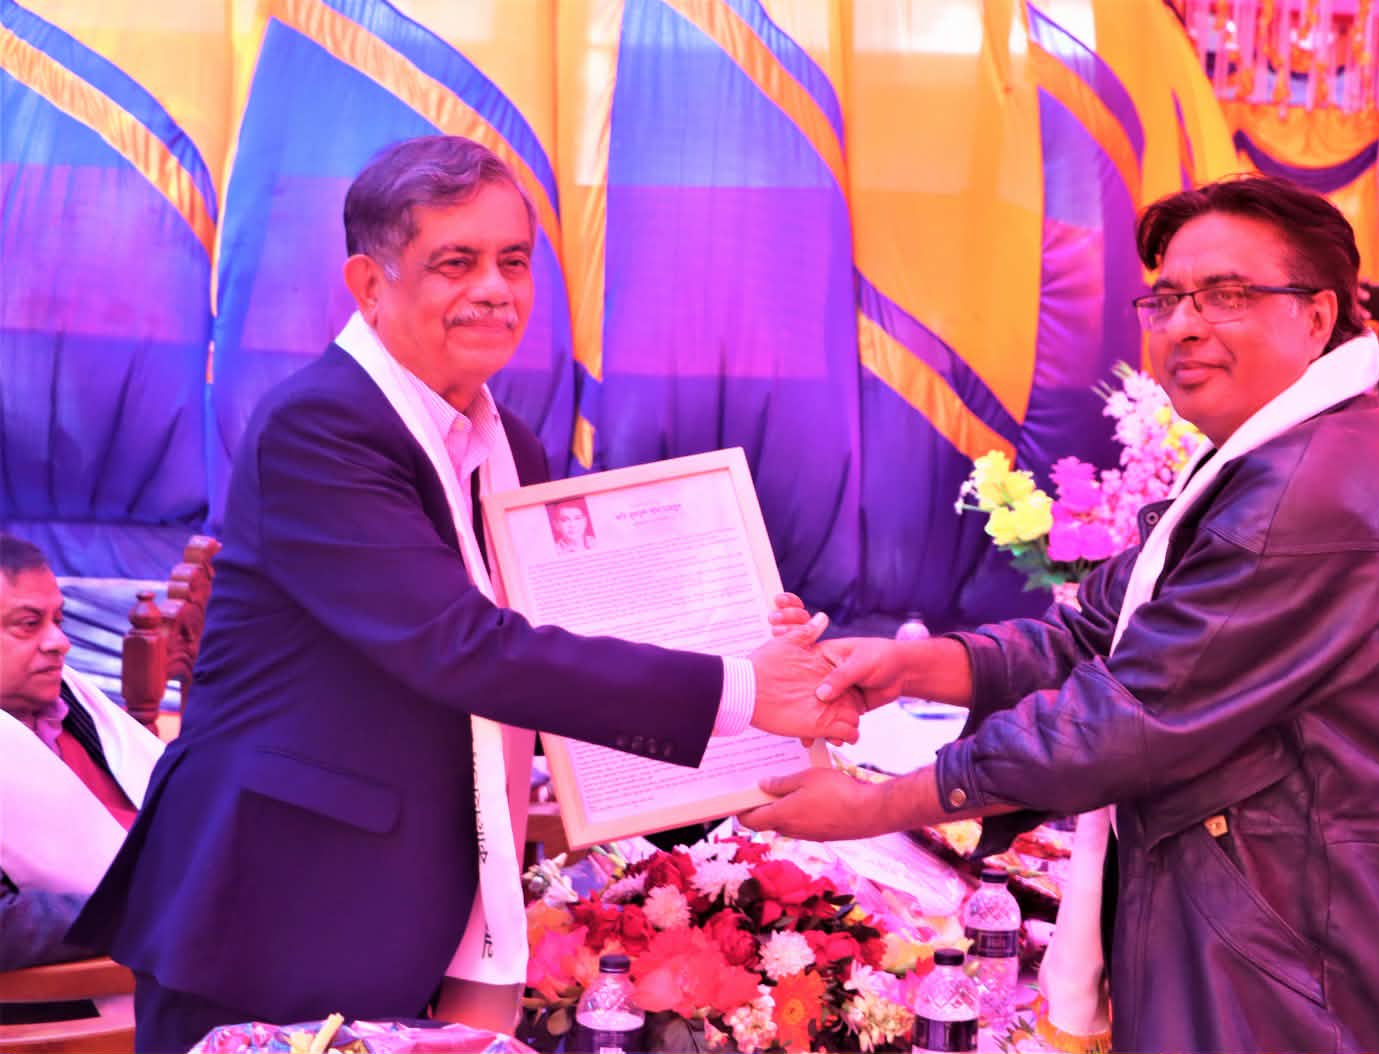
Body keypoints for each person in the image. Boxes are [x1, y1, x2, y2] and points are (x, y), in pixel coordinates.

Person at [67, 135, 857, 1052]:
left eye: (513, 261)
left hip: (435, 894)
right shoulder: (319, 428)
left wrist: (746, 660)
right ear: (368, 283)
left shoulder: (508, 444)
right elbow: (464, 648)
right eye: (457, 262)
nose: (495, 289)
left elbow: (558, 647)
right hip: (278, 900)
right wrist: (744, 688)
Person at [745, 176, 1379, 1053]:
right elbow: (1093, 636)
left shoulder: (1308, 491)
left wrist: (877, 805)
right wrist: (908, 666)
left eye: (1226, 295)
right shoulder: (1270, 461)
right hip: (1274, 943)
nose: (1184, 325)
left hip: (1310, 977)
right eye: (1168, 299)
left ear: (1317, 317)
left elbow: (1125, 716)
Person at [1, 534, 162, 972]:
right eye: (29, 624)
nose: (59, 642)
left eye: (59, 619)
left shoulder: (77, 706)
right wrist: (146, 910)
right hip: (80, 992)